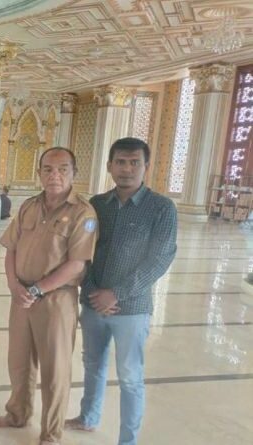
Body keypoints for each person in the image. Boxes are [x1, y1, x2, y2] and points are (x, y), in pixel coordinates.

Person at [65, 137, 177, 445]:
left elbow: (160, 259)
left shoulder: (161, 208)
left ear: (146, 166)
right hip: (93, 303)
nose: (127, 169)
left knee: (129, 376)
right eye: (121, 162)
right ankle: (88, 417)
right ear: (109, 166)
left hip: (132, 309)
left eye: (134, 162)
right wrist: (91, 290)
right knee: (92, 364)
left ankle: (127, 440)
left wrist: (117, 294)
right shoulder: (97, 205)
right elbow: (83, 251)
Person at [0, 147, 98, 445]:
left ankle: (51, 433)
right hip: (22, 296)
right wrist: (13, 285)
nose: (55, 175)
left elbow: (77, 264)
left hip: (56, 300)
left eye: (63, 169)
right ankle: (18, 413)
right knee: (19, 362)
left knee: (55, 370)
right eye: (48, 169)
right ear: (39, 173)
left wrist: (38, 289)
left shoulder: (83, 213)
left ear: (74, 173)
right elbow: (11, 248)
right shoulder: (29, 206)